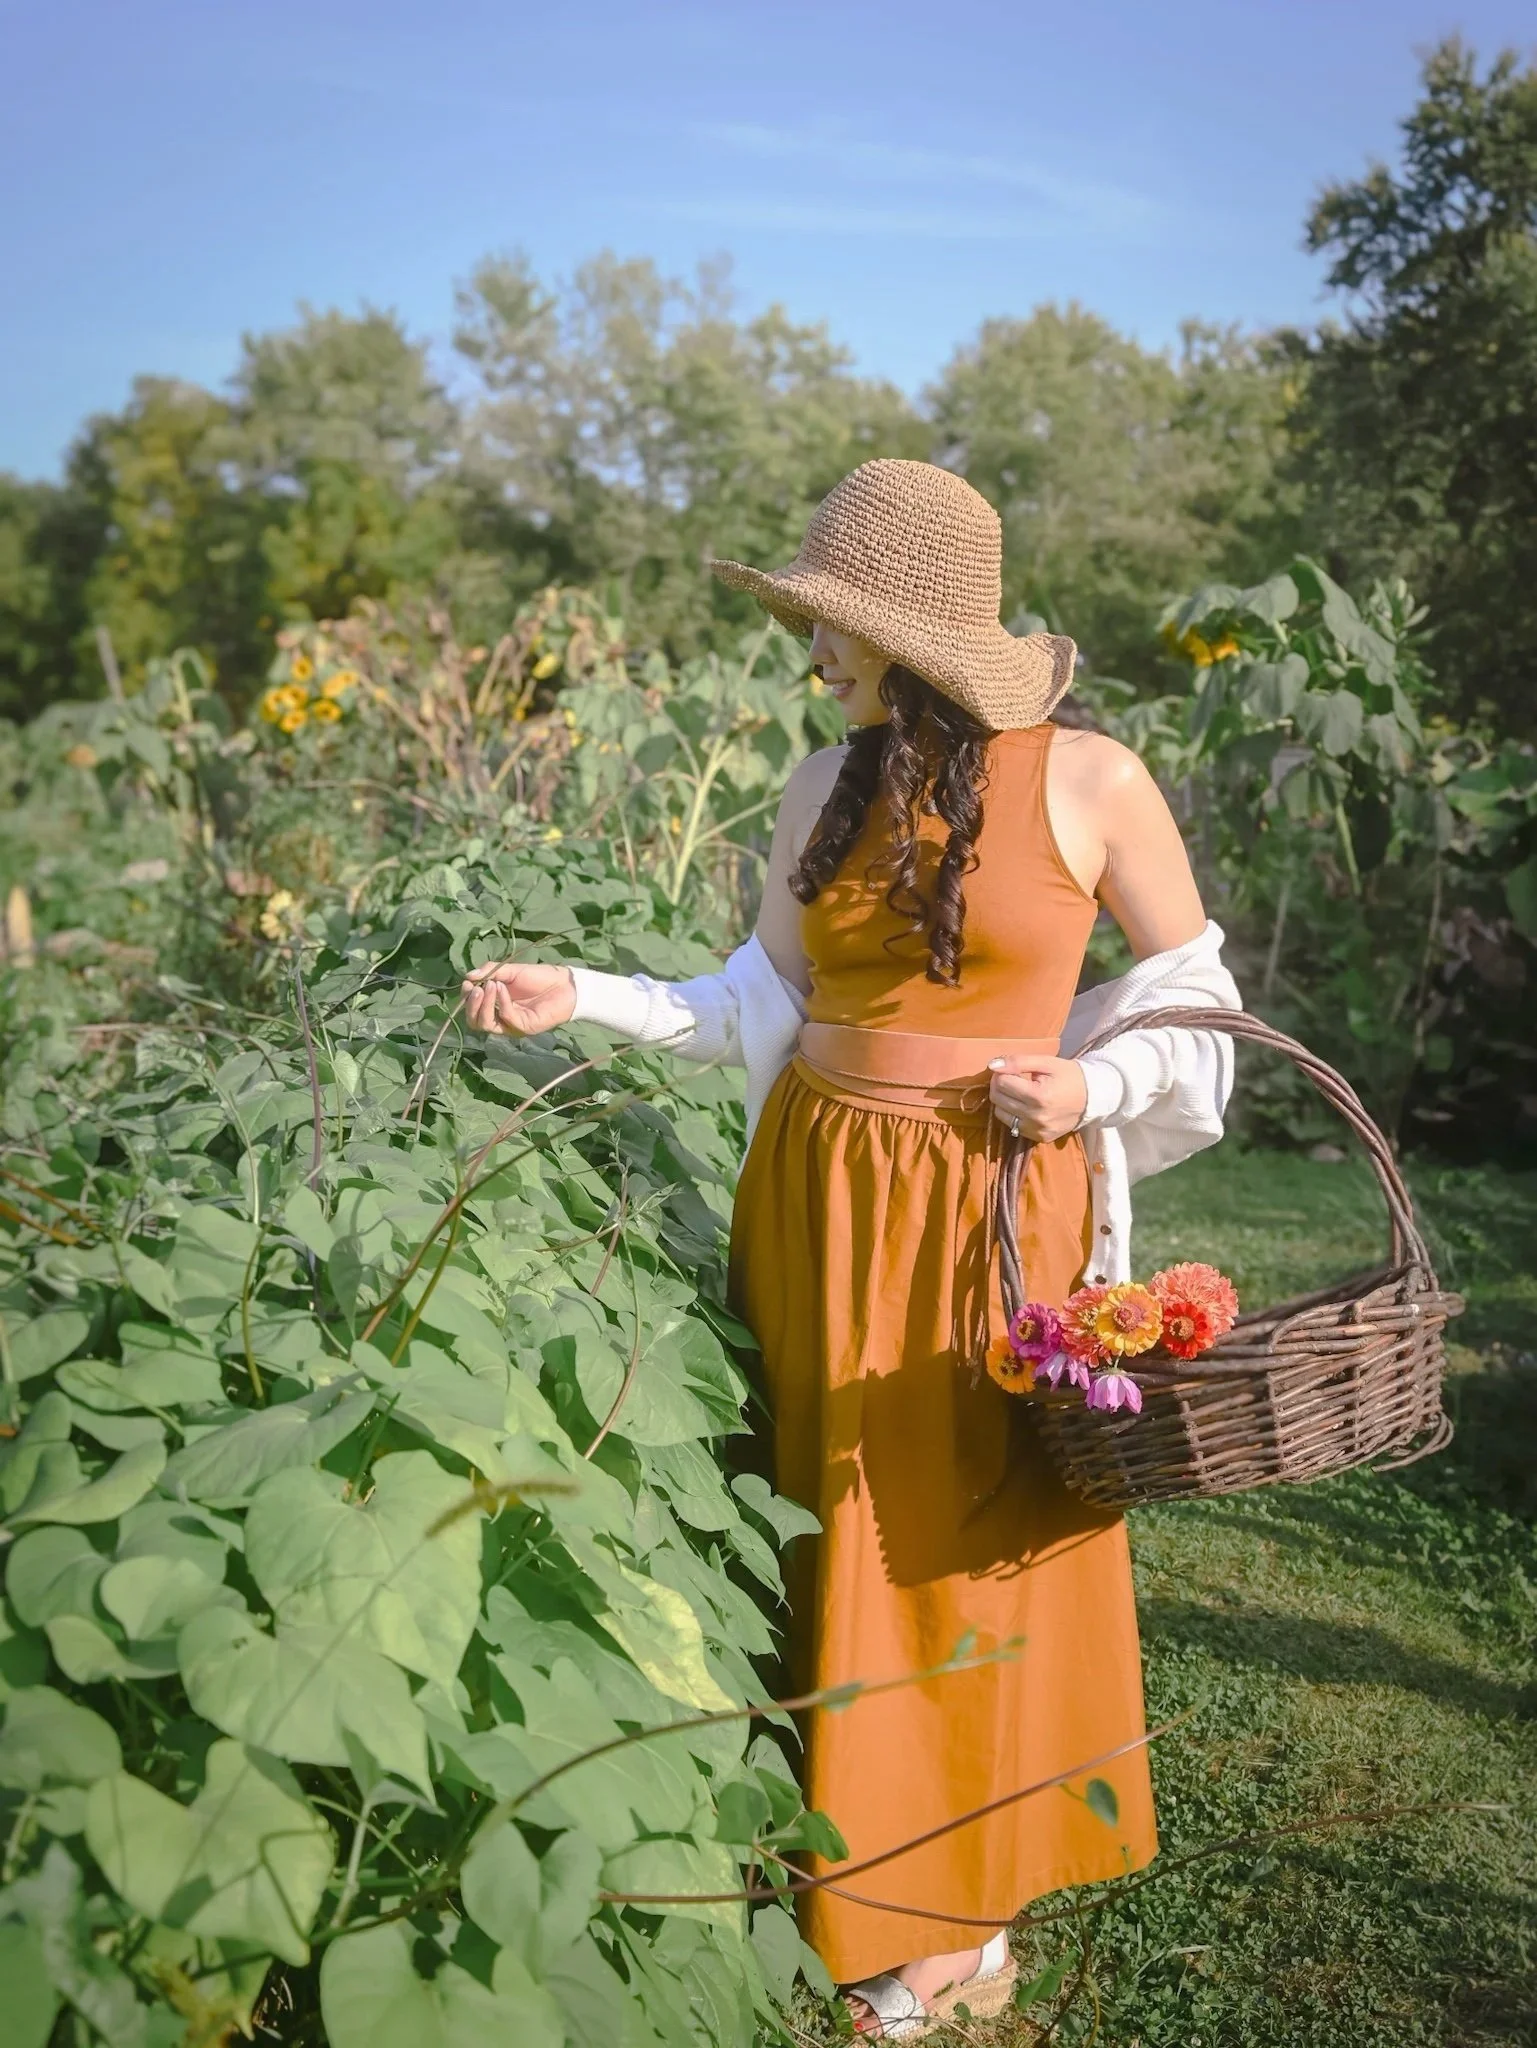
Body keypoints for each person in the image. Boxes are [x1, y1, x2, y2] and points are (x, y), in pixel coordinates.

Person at [464, 460, 1241, 2038]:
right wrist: (586, 993)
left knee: (960, 1534)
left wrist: (1092, 1084)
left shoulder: (1092, 781)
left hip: (996, 1213)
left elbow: (1202, 992)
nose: (811, 651)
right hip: (820, 1197)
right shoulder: (824, 787)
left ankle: (962, 1910)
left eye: (831, 622)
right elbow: (756, 1000)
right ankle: (834, 1853)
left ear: (910, 631)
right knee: (830, 1515)